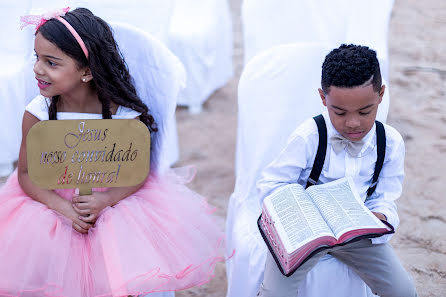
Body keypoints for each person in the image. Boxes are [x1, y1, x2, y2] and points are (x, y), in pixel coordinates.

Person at [0, 7, 226, 297]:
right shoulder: (38, 114)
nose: (37, 69)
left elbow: (138, 170)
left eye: (51, 62)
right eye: (37, 58)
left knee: (116, 270)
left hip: (115, 205)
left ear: (87, 72)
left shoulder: (123, 117)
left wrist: (107, 199)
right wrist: (63, 209)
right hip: (52, 203)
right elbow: (26, 174)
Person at [256, 44, 418, 297]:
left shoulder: (391, 142)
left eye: (365, 111)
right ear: (323, 98)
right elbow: (272, 185)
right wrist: (298, 212)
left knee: (403, 290)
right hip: (305, 236)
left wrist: (381, 216)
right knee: (274, 293)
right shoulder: (308, 136)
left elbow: (386, 196)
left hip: (356, 236)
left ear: (381, 94)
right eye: (339, 112)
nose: (353, 123)